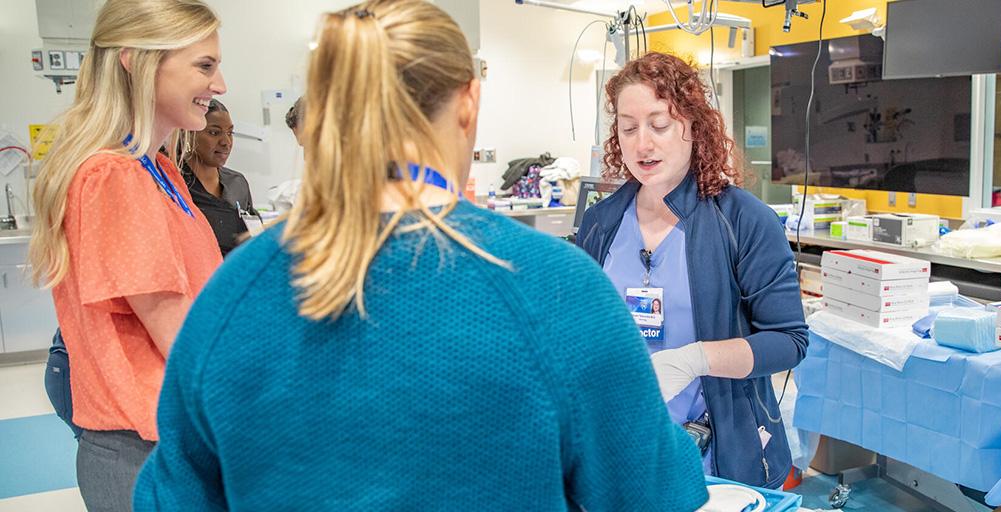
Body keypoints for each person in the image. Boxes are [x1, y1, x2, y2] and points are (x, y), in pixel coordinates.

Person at [133, 2, 709, 510]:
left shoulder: (236, 293)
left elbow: (171, 495)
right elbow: (653, 492)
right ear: (468, 102)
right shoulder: (553, 289)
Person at [576, 52, 808, 489]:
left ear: (693, 124)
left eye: (659, 125)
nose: (642, 144)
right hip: (623, 448)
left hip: (719, 455)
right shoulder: (602, 222)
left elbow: (789, 341)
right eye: (628, 127)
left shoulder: (742, 221)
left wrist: (694, 360)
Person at [28, 0, 225, 509]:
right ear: (136, 60)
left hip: (170, 440)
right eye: (204, 66)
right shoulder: (114, 177)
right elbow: (181, 338)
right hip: (142, 448)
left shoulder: (159, 171)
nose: (220, 86)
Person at [180, 98, 257, 255]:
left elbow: (253, 235)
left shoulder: (237, 183)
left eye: (230, 133)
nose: (226, 142)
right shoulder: (174, 184)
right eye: (214, 133)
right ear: (188, 134)